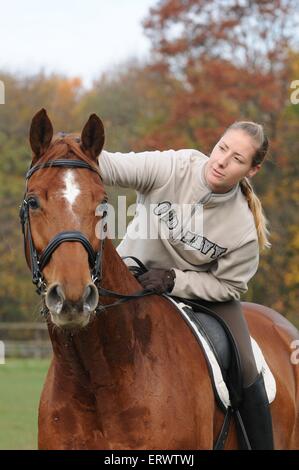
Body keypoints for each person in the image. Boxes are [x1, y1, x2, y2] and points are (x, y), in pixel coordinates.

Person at [98, 121, 273, 449]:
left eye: (237, 159)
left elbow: (230, 286)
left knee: (247, 366)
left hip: (200, 296)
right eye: (222, 148)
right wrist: (73, 152)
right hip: (128, 281)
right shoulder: (173, 167)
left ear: (252, 170)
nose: (221, 161)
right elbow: (110, 164)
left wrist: (174, 280)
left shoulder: (243, 228)